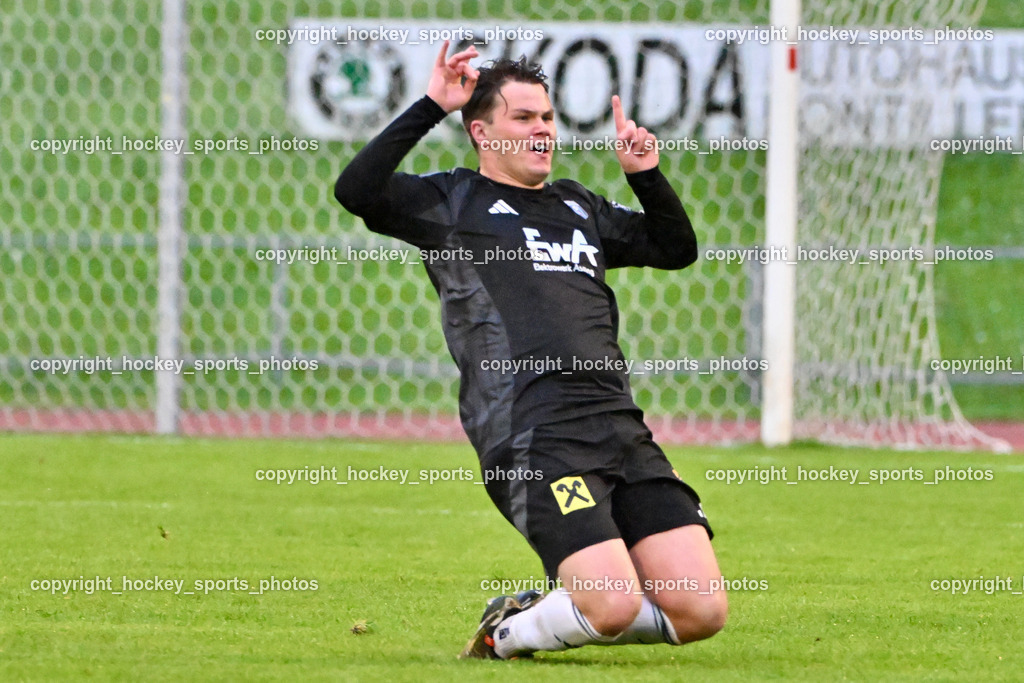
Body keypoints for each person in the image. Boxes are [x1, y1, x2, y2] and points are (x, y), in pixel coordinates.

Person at [335, 40, 726, 660]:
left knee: (702, 609)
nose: (542, 129)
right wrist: (432, 103)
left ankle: (558, 607)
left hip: (618, 428)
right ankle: (507, 634)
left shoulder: (578, 206)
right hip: (533, 436)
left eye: (547, 117)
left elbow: (674, 247)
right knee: (615, 604)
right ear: (483, 132)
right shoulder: (452, 203)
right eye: (523, 118)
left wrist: (645, 174)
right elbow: (356, 190)